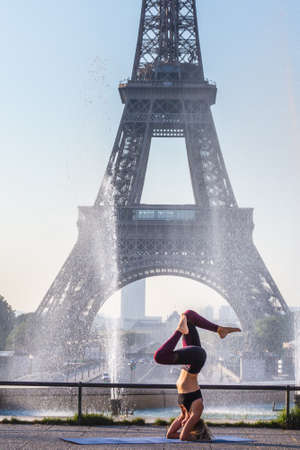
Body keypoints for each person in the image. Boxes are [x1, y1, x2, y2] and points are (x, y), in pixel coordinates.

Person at [153, 310, 241, 441]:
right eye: (185, 426)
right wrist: (195, 436)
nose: (181, 426)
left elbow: (170, 435)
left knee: (188, 316)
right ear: (193, 427)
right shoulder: (196, 410)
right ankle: (180, 330)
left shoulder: (184, 414)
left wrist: (184, 423)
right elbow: (183, 437)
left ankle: (220, 329)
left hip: (191, 359)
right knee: (159, 357)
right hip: (197, 359)